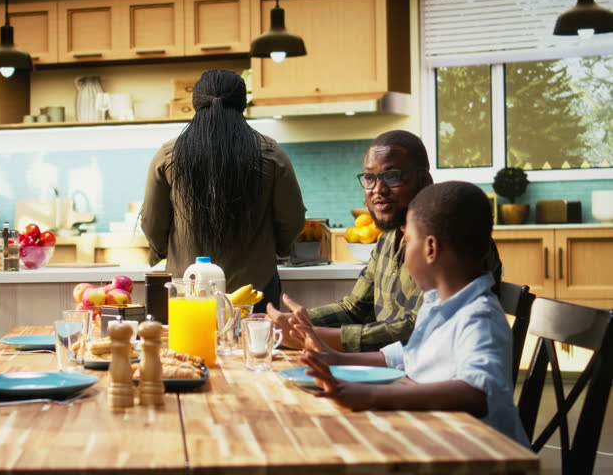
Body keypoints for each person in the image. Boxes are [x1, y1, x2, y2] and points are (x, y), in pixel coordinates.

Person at [292, 181, 529, 446]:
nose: (403, 256)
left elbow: (476, 393)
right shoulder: (436, 304)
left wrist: (371, 396)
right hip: (437, 436)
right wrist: (337, 358)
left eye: (408, 242)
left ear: (430, 248)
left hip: (478, 454)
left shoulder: (478, 318)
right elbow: (407, 358)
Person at [269, 130, 501, 352]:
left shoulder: (450, 239)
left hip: (424, 379)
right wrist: (297, 322)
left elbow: (420, 328)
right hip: (387, 365)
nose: (378, 190)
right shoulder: (387, 238)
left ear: (424, 180)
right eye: (370, 178)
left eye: (392, 176)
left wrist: (318, 336)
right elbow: (355, 309)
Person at [141, 69, 305, 312]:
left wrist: (161, 253)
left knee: (188, 349)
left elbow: (152, 221)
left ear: (197, 104)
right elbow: (292, 219)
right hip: (255, 289)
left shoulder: (169, 154)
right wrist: (278, 250)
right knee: (255, 348)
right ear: (242, 104)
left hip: (188, 287)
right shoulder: (271, 153)